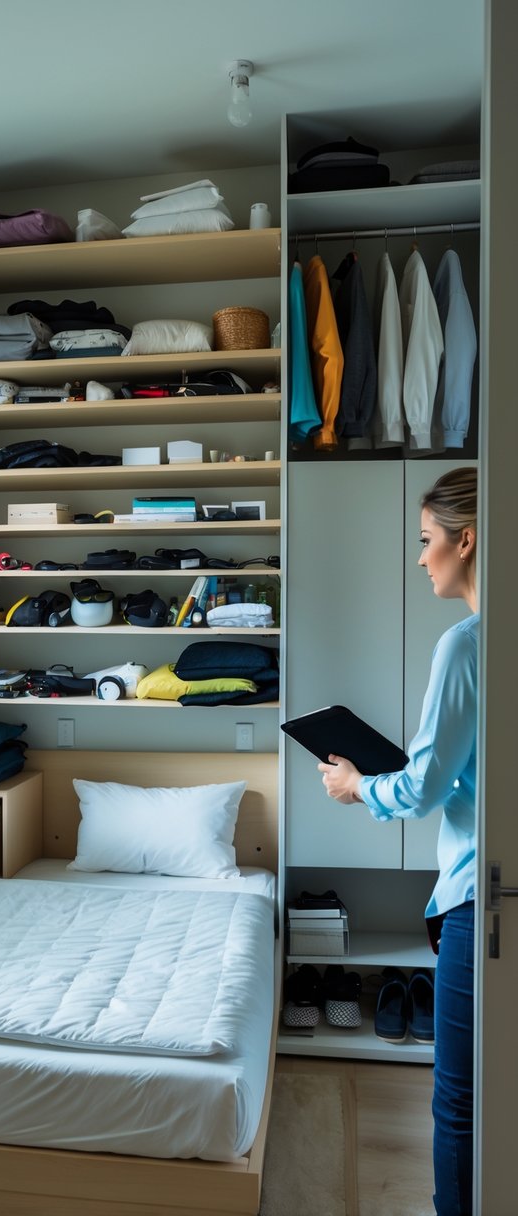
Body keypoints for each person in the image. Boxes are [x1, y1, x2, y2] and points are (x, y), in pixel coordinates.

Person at [318, 466, 478, 1216]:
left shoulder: (466, 646)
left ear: (464, 540)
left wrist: (357, 788)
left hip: (480, 900)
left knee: (458, 1101)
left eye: (425, 541)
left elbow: (421, 788)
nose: (419, 559)